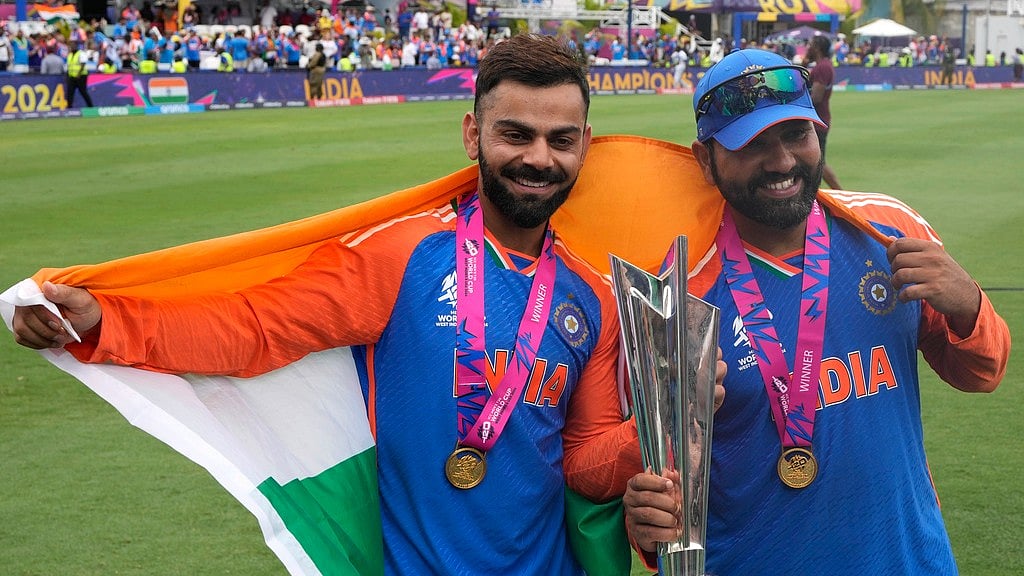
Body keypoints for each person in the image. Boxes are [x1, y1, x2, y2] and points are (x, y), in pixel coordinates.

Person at [10, 33, 685, 575]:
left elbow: (585, 463)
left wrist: (664, 412)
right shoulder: (400, 256)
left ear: (585, 147)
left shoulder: (589, 297)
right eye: (516, 134)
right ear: (472, 134)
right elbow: (255, 328)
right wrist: (109, 322)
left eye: (560, 139)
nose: (538, 157)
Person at [622, 48, 1010, 576]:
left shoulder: (889, 229)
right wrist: (647, 519)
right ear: (704, 159)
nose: (781, 162)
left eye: (796, 136)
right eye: (752, 145)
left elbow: (982, 372)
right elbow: (661, 492)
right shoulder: (674, 293)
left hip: (910, 562)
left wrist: (968, 305)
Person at [804, 35, 841, 189]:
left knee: (818, 163)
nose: (808, 48)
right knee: (813, 162)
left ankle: (842, 196)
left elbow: (817, 97)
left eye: (811, 44)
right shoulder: (822, 66)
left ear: (818, 47)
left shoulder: (822, 67)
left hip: (817, 120)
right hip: (819, 119)